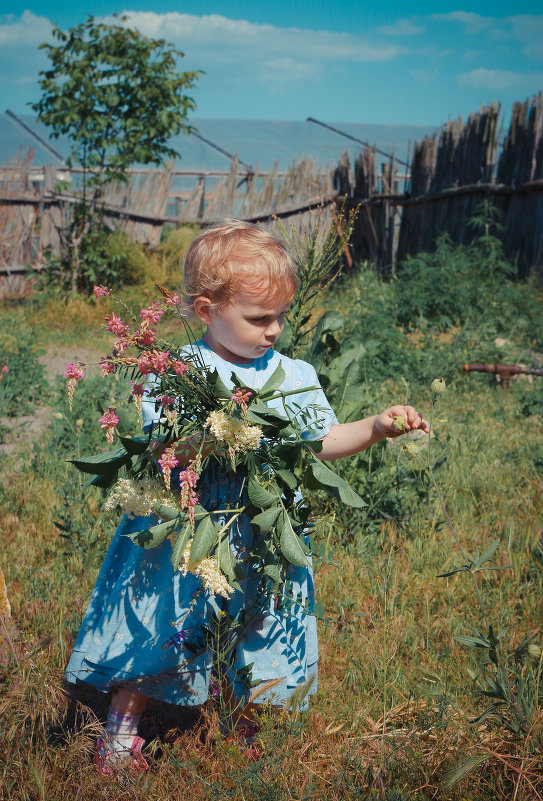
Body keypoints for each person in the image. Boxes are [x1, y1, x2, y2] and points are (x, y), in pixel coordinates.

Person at [65, 219, 429, 775]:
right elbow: (167, 449)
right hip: (190, 530)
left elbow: (321, 443)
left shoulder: (295, 374)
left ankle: (240, 729)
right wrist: (209, 431)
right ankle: (119, 736)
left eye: (281, 316)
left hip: (261, 530)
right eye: (260, 318)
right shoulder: (178, 372)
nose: (274, 330)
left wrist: (377, 425)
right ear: (207, 310)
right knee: (167, 619)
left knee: (260, 623)